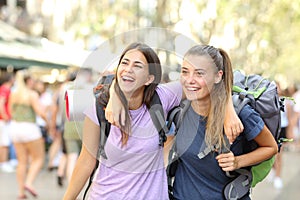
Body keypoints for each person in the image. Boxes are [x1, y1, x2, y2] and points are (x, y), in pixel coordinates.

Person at [63, 42, 242, 200]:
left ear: (150, 78)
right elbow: (86, 161)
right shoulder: (99, 108)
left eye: (137, 65)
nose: (128, 69)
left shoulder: (162, 98)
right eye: (124, 63)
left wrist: (229, 109)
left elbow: (208, 83)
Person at [167, 45, 278, 199]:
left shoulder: (241, 114)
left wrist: (238, 162)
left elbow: (270, 147)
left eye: (199, 73)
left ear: (218, 76)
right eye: (185, 72)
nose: (190, 80)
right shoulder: (179, 109)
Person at [8, 70, 49, 199]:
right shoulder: (32, 95)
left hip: (15, 128)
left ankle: (21, 192)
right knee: (38, 158)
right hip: (29, 128)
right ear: (28, 81)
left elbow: (10, 110)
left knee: (22, 161)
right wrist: (48, 121)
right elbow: (40, 112)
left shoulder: (13, 94)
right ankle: (29, 183)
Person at [0, 72, 15, 173]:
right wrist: (4, 115)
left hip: (4, 119)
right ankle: (4, 163)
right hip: (3, 120)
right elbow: (1, 102)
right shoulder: (5, 89)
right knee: (4, 142)